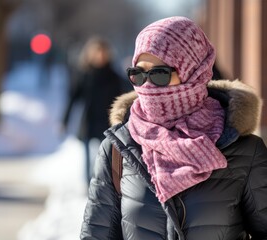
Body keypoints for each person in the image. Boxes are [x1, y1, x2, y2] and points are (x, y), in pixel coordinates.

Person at [80, 16, 267, 239]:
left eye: (160, 74)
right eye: (138, 74)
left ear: (193, 72)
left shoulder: (246, 152)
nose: (147, 86)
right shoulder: (117, 151)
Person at [63, 36, 124, 184]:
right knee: (88, 157)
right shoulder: (84, 75)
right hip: (88, 122)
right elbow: (73, 99)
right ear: (90, 54)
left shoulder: (114, 76)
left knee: (105, 156)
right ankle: (88, 184)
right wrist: (64, 120)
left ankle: (103, 183)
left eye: (103, 52)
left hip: (107, 122)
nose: (100, 56)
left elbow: (122, 100)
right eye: (97, 52)